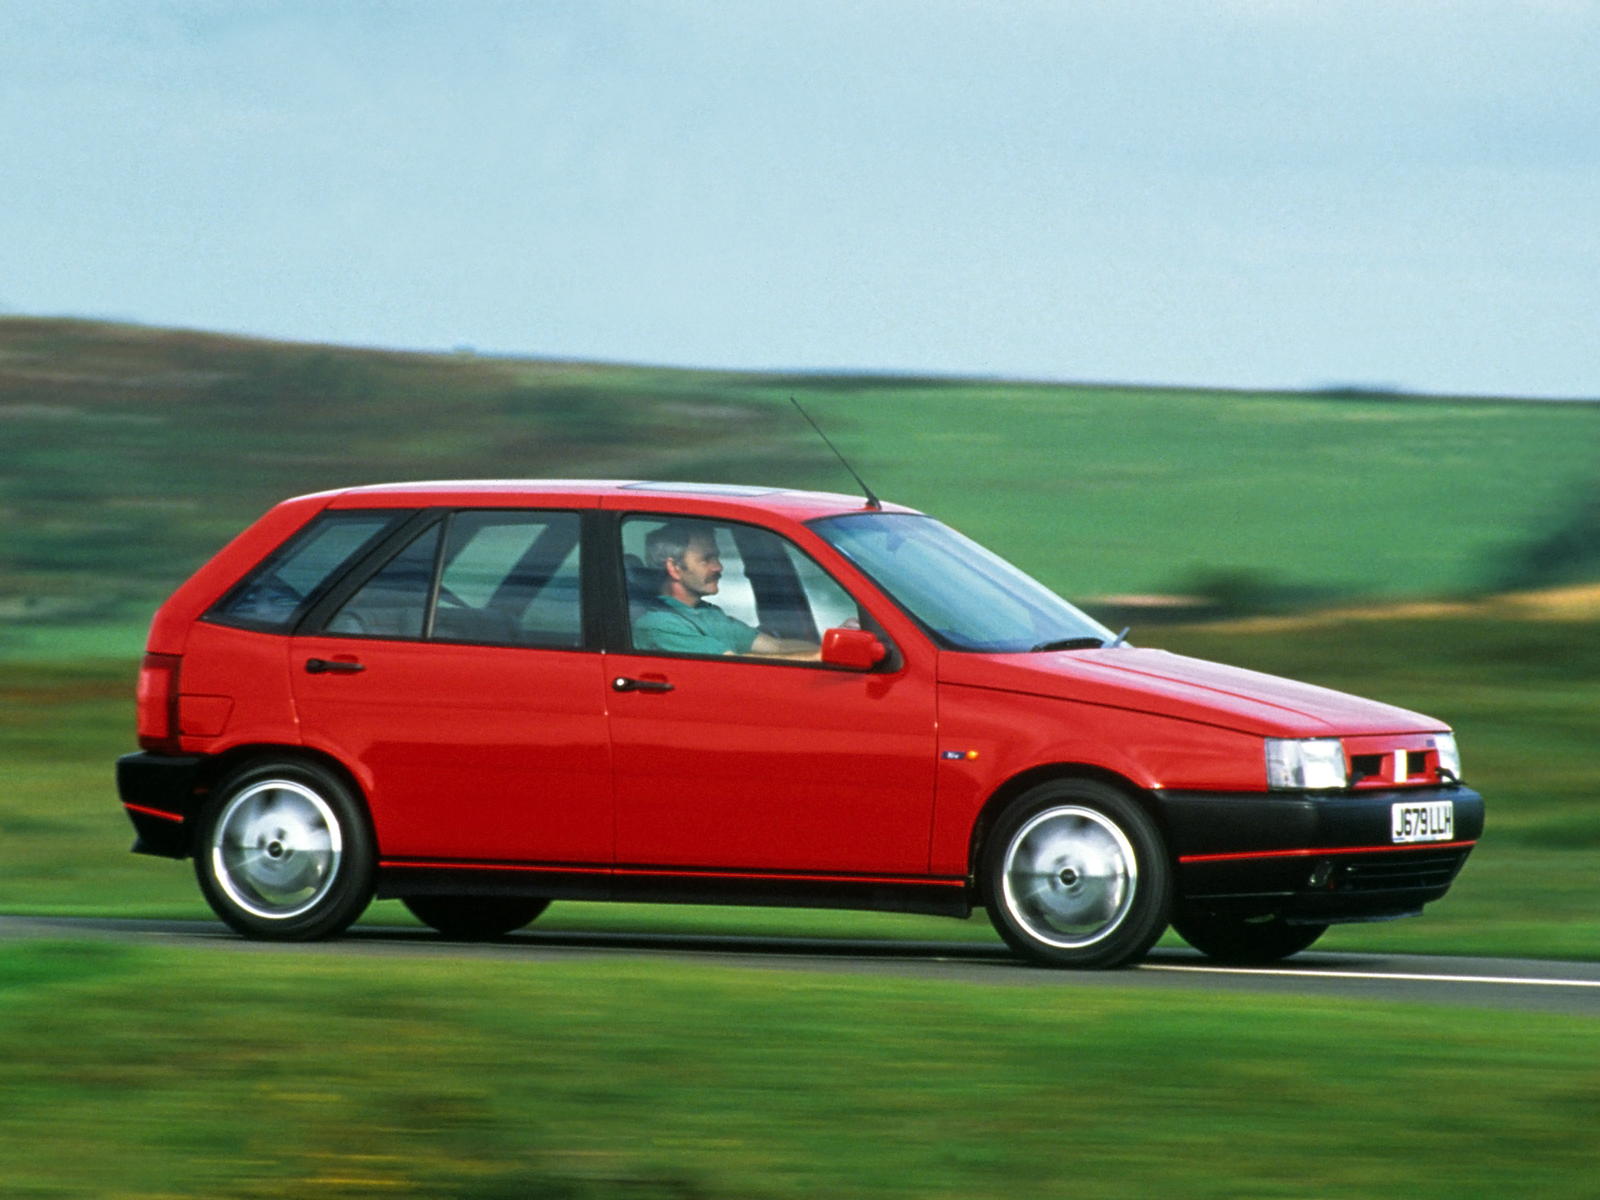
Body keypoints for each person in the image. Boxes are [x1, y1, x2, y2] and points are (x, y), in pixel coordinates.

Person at [631, 522, 820, 658]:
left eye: (717, 557)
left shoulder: (706, 613)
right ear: (674, 568)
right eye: (707, 559)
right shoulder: (658, 625)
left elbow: (776, 646)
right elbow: (736, 664)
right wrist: (816, 658)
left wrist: (830, 650)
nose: (719, 567)